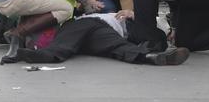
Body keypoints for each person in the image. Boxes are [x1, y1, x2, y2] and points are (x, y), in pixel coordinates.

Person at [13, 12, 190, 66]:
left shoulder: (158, 31)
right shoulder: (155, 22)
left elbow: (156, 36)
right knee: (118, 46)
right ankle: (149, 56)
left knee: (118, 46)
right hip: (89, 23)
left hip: (102, 30)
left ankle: (152, 57)